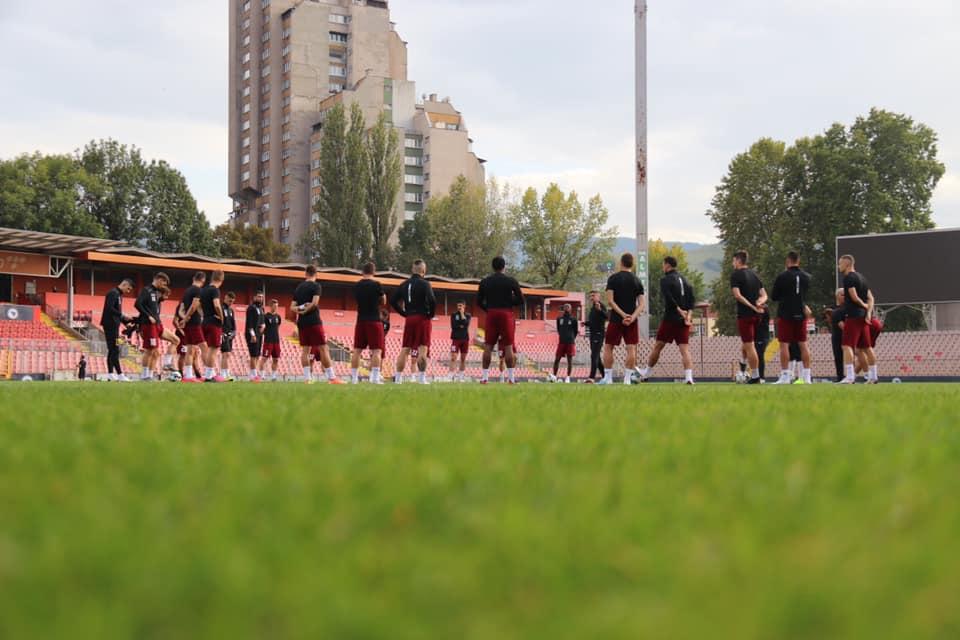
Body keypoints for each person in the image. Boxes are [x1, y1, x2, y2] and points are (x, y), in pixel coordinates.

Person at [637, 256, 695, 384]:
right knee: (684, 350)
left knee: (658, 346)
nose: (662, 267)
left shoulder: (665, 280)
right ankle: (689, 378)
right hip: (683, 320)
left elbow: (668, 298)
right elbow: (692, 301)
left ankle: (646, 373)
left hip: (670, 318)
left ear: (668, 265)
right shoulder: (686, 280)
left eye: (663, 264)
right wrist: (688, 316)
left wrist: (678, 310)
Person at [292, 265, 342, 384]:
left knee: (305, 350)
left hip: (302, 322)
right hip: (314, 320)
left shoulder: (298, 288)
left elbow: (292, 307)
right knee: (323, 348)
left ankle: (307, 378)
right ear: (316, 274)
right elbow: (315, 303)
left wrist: (301, 309)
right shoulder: (316, 286)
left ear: (306, 274)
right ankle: (332, 377)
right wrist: (305, 310)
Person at [478, 256, 524, 385]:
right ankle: (511, 378)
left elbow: (479, 302)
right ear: (504, 267)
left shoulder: (485, 282)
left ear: (493, 267)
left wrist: (488, 309)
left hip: (491, 313)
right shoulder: (511, 281)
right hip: (506, 313)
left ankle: (484, 378)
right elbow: (521, 300)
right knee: (508, 346)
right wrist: (509, 302)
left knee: (488, 346)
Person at [600, 253, 645, 385]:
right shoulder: (637, 280)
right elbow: (642, 304)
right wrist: (631, 317)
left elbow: (610, 301)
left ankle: (608, 378)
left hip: (615, 319)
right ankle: (627, 379)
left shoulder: (613, 278)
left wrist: (622, 315)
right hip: (632, 320)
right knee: (631, 348)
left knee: (609, 347)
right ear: (632, 264)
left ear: (621, 262)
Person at [390, 260, 437, 384]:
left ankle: (398, 378)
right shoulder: (425, 284)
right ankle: (421, 378)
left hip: (410, 318)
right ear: (423, 270)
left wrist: (404, 313)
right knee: (423, 348)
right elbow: (432, 300)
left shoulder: (404, 284)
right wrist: (431, 314)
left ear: (412, 270)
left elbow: (393, 301)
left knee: (405, 348)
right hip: (422, 318)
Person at [771, 251, 813, 385]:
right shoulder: (807, 277)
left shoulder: (782, 276)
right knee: (803, 344)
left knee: (784, 344)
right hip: (801, 313)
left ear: (787, 260)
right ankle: (806, 377)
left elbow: (774, 296)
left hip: (785, 314)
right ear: (798, 261)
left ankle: (785, 376)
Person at [838, 254, 878, 384]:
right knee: (866, 347)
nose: (839, 266)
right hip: (863, 317)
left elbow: (854, 297)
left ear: (847, 264)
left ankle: (850, 377)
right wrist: (868, 312)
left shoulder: (848, 277)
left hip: (853, 316)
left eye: (840, 263)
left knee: (846, 345)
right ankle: (873, 376)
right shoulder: (862, 278)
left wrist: (863, 305)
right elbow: (871, 298)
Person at [730, 250, 767, 385]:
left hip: (745, 315)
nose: (732, 263)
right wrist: (759, 302)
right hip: (757, 316)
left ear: (738, 261)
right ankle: (743, 364)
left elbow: (737, 295)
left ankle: (756, 376)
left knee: (750, 346)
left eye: (733, 261)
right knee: (746, 344)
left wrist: (752, 306)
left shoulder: (736, 275)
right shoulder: (754, 275)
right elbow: (764, 295)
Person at [352, 262, 386, 384]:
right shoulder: (377, 284)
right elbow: (384, 300)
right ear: (374, 272)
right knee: (377, 351)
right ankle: (375, 378)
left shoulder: (357, 285)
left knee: (357, 350)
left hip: (361, 320)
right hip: (374, 320)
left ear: (362, 272)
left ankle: (354, 378)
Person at [134, 272, 169, 381]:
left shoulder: (156, 292)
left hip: (155, 324)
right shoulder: (147, 290)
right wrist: (148, 316)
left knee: (155, 351)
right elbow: (137, 304)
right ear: (159, 280)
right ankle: (144, 375)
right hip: (148, 325)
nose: (163, 286)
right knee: (150, 350)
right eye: (163, 283)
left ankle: (149, 375)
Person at [100, 278, 134, 382]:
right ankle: (120, 374)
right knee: (115, 349)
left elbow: (117, 312)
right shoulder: (113, 293)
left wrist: (125, 322)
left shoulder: (119, 295)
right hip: (110, 324)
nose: (128, 291)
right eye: (128, 289)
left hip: (114, 324)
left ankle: (111, 374)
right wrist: (123, 316)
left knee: (112, 350)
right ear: (124, 284)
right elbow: (109, 308)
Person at [179, 271, 207, 383]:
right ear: (203, 280)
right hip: (194, 322)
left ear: (193, 278)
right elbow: (194, 305)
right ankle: (211, 373)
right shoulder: (197, 290)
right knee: (204, 347)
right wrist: (186, 318)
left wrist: (184, 319)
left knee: (190, 350)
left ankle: (189, 376)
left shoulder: (187, 291)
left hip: (188, 324)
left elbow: (181, 308)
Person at [200, 270, 226, 382]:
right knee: (213, 349)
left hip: (205, 321)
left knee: (206, 350)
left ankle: (208, 373)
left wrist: (204, 315)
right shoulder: (215, 290)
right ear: (221, 279)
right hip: (214, 323)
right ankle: (209, 375)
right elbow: (216, 305)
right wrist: (221, 317)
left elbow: (198, 306)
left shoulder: (204, 290)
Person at [583, 291, 607, 382]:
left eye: (593, 296)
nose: (591, 298)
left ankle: (591, 377)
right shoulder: (592, 308)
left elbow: (606, 316)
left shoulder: (601, 306)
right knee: (597, 357)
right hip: (592, 335)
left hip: (599, 334)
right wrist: (585, 323)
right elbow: (593, 322)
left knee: (594, 356)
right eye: (590, 296)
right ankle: (605, 376)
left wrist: (600, 310)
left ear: (598, 296)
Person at [550, 303, 577, 383]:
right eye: (565, 307)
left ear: (570, 309)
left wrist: (571, 338)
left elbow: (575, 331)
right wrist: (562, 336)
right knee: (557, 359)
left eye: (568, 307)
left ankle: (568, 377)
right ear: (563, 308)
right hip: (561, 341)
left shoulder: (573, 319)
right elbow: (558, 329)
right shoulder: (559, 318)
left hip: (570, 342)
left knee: (569, 360)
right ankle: (554, 376)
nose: (566, 308)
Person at [245, 292, 266, 382]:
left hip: (259, 334)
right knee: (253, 355)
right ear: (254, 297)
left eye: (262, 297)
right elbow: (249, 323)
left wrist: (264, 325)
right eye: (259, 297)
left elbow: (263, 321)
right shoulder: (251, 308)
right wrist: (252, 334)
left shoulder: (261, 308)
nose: (260, 298)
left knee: (257, 355)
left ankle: (252, 375)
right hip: (252, 334)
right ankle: (254, 375)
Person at [449, 301, 472, 382]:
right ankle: (450, 376)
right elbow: (453, 326)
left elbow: (466, 324)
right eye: (458, 305)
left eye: (461, 306)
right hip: (455, 338)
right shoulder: (453, 315)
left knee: (463, 359)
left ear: (464, 306)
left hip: (465, 338)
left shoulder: (468, 315)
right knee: (453, 357)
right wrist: (461, 325)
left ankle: (461, 376)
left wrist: (462, 315)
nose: (459, 307)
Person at [260, 299, 282, 381]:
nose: (276, 307)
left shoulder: (278, 317)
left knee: (276, 359)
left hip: (276, 341)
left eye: (277, 306)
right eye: (274, 306)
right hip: (268, 341)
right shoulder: (266, 316)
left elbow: (278, 327)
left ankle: (273, 376)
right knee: (264, 358)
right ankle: (262, 376)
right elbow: (262, 328)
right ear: (270, 306)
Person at [219, 291, 237, 381]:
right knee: (225, 353)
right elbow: (219, 322)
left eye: (232, 301)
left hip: (230, 335)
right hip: (223, 334)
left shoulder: (231, 310)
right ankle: (223, 374)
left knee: (228, 354)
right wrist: (221, 332)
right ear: (225, 298)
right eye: (229, 301)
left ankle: (226, 373)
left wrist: (234, 332)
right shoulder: (221, 308)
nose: (231, 303)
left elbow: (233, 323)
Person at [829, 291, 846, 382]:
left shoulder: (849, 308)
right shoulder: (833, 308)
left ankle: (852, 374)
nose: (845, 296)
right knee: (838, 357)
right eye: (842, 294)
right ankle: (840, 377)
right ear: (837, 296)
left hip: (847, 335)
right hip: (836, 335)